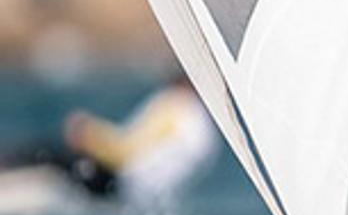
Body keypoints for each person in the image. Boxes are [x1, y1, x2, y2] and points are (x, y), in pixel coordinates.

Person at [1, 75, 217, 205]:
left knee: (45, 153)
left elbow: (125, 152)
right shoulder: (204, 129)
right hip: (136, 197)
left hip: (116, 184)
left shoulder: (177, 107)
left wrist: (87, 133)